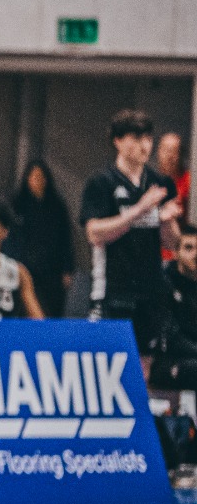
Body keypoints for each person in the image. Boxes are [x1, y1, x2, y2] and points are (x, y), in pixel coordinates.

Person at [81, 109, 182, 368]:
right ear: (117, 140)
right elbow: (94, 233)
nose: (144, 145)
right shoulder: (101, 183)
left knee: (145, 364)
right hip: (114, 288)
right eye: (136, 138)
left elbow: (172, 244)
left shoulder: (159, 183)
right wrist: (140, 210)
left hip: (151, 287)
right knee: (112, 364)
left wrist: (166, 220)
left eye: (148, 138)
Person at [7, 160, 75, 318]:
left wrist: (68, 268)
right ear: (27, 179)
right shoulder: (17, 204)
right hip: (26, 266)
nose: (37, 181)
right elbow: (11, 238)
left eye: (41, 177)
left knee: (52, 310)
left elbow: (65, 239)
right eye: (34, 177)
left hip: (52, 269)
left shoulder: (57, 206)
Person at [152, 225, 197, 389]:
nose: (195, 254)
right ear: (176, 253)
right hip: (169, 360)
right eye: (189, 248)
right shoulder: (163, 284)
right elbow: (171, 338)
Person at [157, 132, 189, 222]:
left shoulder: (189, 181)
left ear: (181, 155)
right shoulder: (150, 179)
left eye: (174, 151)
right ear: (158, 152)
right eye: (165, 150)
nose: (169, 156)